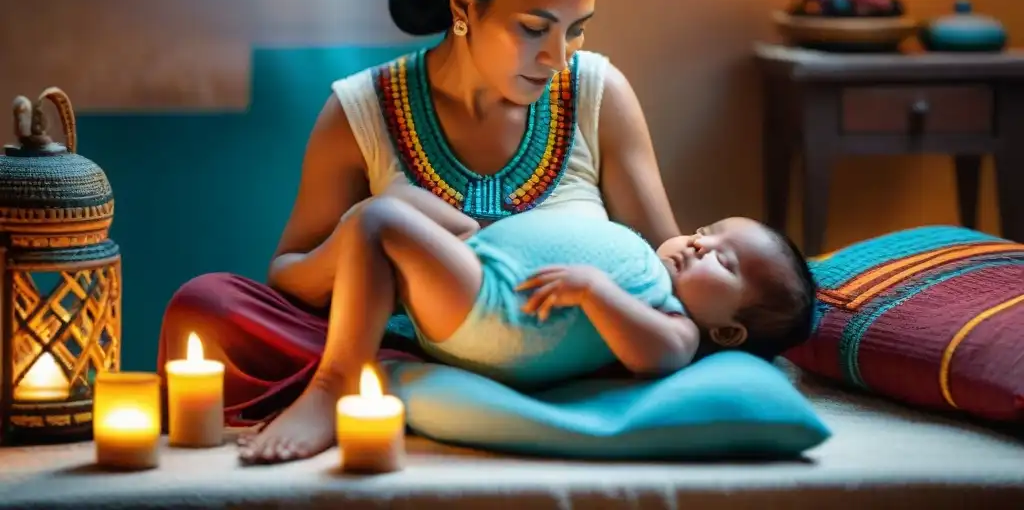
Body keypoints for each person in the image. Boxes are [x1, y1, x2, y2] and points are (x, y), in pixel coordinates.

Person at [156, 0, 735, 458]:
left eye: (575, 29)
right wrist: (368, 231)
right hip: (406, 339)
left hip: (559, 344)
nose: (558, 57)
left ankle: (407, 387)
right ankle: (379, 378)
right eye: (535, 28)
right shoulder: (362, 109)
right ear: (462, 3)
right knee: (207, 307)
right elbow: (286, 279)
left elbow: (666, 267)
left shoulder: (596, 93)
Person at [237, 187, 814, 463]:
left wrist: (596, 290)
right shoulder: (660, 273)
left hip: (492, 311)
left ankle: (332, 384)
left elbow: (655, 356)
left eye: (724, 260)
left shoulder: (677, 326)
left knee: (381, 221)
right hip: (483, 256)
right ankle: (316, 278)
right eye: (708, 228)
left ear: (730, 332)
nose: (698, 241)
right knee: (401, 199)